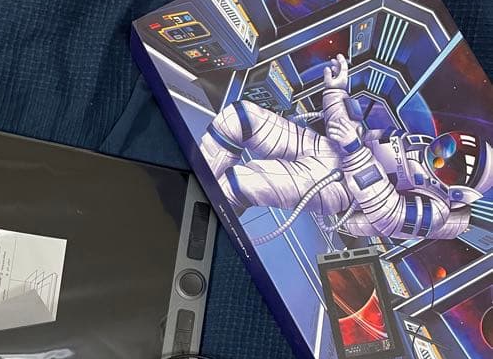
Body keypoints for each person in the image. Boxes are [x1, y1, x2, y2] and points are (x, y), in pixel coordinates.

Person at [199, 54, 493, 241]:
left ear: (460, 191)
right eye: (446, 148)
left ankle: (199, 226)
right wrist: (336, 91)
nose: (439, 156)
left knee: (239, 184)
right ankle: (197, 181)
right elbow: (348, 130)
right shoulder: (408, 144)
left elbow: (389, 215)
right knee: (237, 117)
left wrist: (357, 153)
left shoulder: (436, 211)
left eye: (449, 165)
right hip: (322, 148)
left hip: (335, 187)